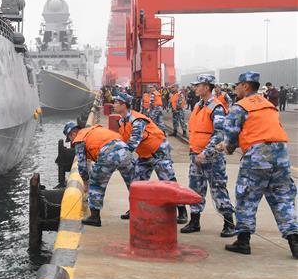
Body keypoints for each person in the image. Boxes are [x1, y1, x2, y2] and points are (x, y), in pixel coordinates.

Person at [216, 71, 298, 258]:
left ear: (245, 86)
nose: (235, 88)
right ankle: (295, 241)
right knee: (283, 199)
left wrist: (226, 147)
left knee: (247, 196)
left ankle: (243, 241)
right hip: (281, 156)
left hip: (257, 156)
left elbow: (229, 139)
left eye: (237, 85)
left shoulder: (240, 107)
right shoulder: (269, 105)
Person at [113, 92, 184, 222]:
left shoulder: (137, 120)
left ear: (124, 105)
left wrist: (116, 158)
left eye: (117, 102)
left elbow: (133, 143)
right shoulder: (122, 120)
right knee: (137, 183)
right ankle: (136, 209)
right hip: (145, 154)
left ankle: (182, 211)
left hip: (158, 152)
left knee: (168, 181)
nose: (114, 105)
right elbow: (123, 141)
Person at [181, 74, 237, 236]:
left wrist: (206, 153)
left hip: (211, 157)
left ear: (206, 87)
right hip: (196, 154)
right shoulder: (199, 105)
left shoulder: (216, 107)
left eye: (198, 85)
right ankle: (195, 221)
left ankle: (229, 224)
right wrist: (196, 152)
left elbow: (219, 134)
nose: (195, 88)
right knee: (195, 188)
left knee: (218, 188)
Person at [64, 120, 133, 227]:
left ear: (73, 133)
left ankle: (94, 217)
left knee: (96, 184)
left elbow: (82, 166)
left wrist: (86, 182)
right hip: (124, 149)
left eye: (70, 138)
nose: (72, 142)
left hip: (108, 153)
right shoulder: (94, 130)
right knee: (133, 183)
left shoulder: (79, 139)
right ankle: (137, 211)